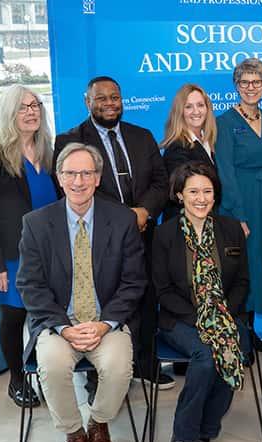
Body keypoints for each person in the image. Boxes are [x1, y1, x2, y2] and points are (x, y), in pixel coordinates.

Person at [16, 142, 146, 442]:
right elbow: (30, 285)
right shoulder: (36, 223)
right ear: (59, 177)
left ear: (99, 178)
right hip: (59, 322)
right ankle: (74, 436)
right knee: (54, 364)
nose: (78, 180)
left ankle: (98, 424)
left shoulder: (122, 220)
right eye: (71, 173)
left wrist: (105, 325)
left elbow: (133, 282)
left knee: (119, 367)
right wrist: (63, 327)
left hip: (107, 321)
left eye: (87, 173)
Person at [54, 76, 172, 394]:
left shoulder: (142, 136)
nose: (109, 103)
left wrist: (145, 212)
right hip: (97, 239)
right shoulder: (70, 141)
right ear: (87, 101)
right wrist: (123, 218)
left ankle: (145, 364)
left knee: (145, 297)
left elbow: (161, 182)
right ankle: (97, 372)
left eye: (115, 97)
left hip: (144, 232)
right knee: (104, 300)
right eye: (101, 98)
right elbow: (74, 189)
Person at [150, 162, 249, 442]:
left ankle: (207, 426)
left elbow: (243, 281)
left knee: (235, 349)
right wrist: (201, 320)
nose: (201, 198)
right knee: (206, 358)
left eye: (207, 191)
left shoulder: (231, 229)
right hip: (180, 318)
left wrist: (222, 314)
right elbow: (162, 291)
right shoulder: (165, 234)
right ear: (179, 195)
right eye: (193, 191)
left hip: (225, 313)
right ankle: (184, 433)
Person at [0, 84, 59, 407]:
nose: (31, 111)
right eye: (23, 107)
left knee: (43, 316)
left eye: (35, 105)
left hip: (48, 253)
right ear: (10, 113)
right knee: (14, 317)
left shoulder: (49, 151)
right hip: (10, 256)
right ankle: (17, 379)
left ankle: (43, 371)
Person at [215, 58, 262, 353]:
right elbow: (224, 170)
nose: (251, 88)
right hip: (240, 205)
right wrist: (237, 214)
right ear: (236, 86)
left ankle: (251, 333)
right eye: (245, 82)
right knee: (242, 270)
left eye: (257, 82)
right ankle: (239, 339)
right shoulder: (224, 122)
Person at [161, 83, 217, 220]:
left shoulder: (208, 142)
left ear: (207, 109)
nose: (196, 111)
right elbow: (182, 193)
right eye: (188, 107)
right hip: (185, 225)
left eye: (200, 105)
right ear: (180, 112)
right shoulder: (176, 148)